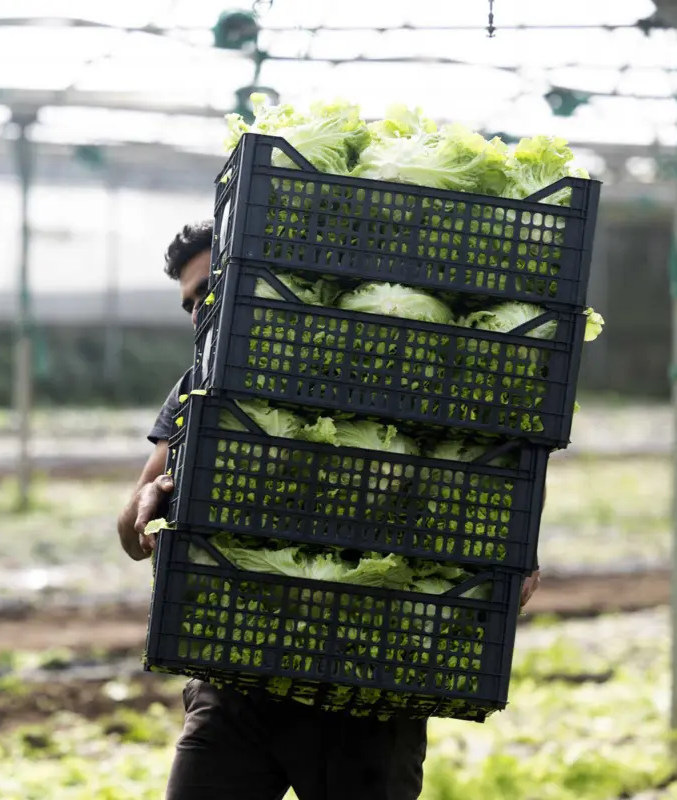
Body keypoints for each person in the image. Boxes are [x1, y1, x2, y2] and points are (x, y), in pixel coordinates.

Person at [117, 220, 543, 800]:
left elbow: (488, 467)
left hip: (367, 688)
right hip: (238, 679)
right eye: (188, 303)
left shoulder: (384, 367)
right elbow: (133, 517)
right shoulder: (200, 384)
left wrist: (508, 553)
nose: (198, 313)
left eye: (208, 291)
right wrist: (144, 502)